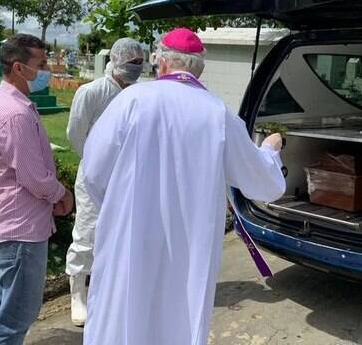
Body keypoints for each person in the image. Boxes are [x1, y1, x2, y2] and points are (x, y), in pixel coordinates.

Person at [81, 28, 286, 344]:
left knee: (124, 315)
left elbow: (93, 172)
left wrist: (120, 209)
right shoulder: (217, 113)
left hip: (131, 237)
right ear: (200, 69)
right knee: (178, 317)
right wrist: (271, 149)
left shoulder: (131, 101)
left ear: (160, 64)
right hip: (189, 246)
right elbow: (262, 182)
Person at [0, 34, 74, 345]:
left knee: (4, 307)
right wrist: (62, 194)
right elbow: (32, 176)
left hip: (15, 224)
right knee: (17, 315)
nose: (47, 70)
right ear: (19, 67)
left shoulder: (10, 103)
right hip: (21, 230)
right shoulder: (13, 113)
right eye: (41, 64)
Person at [65, 37, 145, 326]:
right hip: (94, 176)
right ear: (116, 60)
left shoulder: (139, 93)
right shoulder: (92, 91)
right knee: (87, 232)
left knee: (121, 233)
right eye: (132, 62)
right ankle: (77, 294)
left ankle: (110, 291)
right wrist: (95, 164)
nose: (137, 67)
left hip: (127, 176)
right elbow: (76, 133)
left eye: (140, 62)